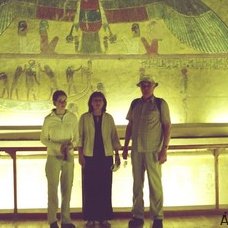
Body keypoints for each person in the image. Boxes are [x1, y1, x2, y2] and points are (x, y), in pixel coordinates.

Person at [123, 76, 171, 228]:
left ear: (153, 87)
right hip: (136, 150)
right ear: (140, 87)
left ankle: (157, 217)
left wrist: (164, 149)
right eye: (143, 85)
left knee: (155, 185)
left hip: (153, 151)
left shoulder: (160, 103)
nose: (145, 88)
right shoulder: (135, 104)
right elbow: (130, 126)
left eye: (148, 85)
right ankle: (137, 216)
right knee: (137, 185)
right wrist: (125, 147)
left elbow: (167, 126)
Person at [78, 92, 121, 227]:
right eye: (95, 100)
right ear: (91, 102)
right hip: (89, 156)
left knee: (105, 187)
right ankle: (90, 218)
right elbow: (80, 137)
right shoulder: (84, 118)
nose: (97, 103)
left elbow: (114, 136)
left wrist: (117, 154)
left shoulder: (109, 118)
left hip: (106, 156)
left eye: (100, 100)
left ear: (104, 103)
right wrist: (80, 155)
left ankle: (104, 217)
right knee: (90, 188)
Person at [40, 90, 78, 228]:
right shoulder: (48, 119)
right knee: (52, 188)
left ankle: (66, 219)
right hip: (53, 156)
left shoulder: (72, 117)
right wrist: (57, 147)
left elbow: (77, 137)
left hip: (68, 156)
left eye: (65, 100)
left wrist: (71, 145)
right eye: (60, 100)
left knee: (67, 187)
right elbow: (43, 139)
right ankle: (52, 220)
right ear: (54, 102)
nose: (63, 103)